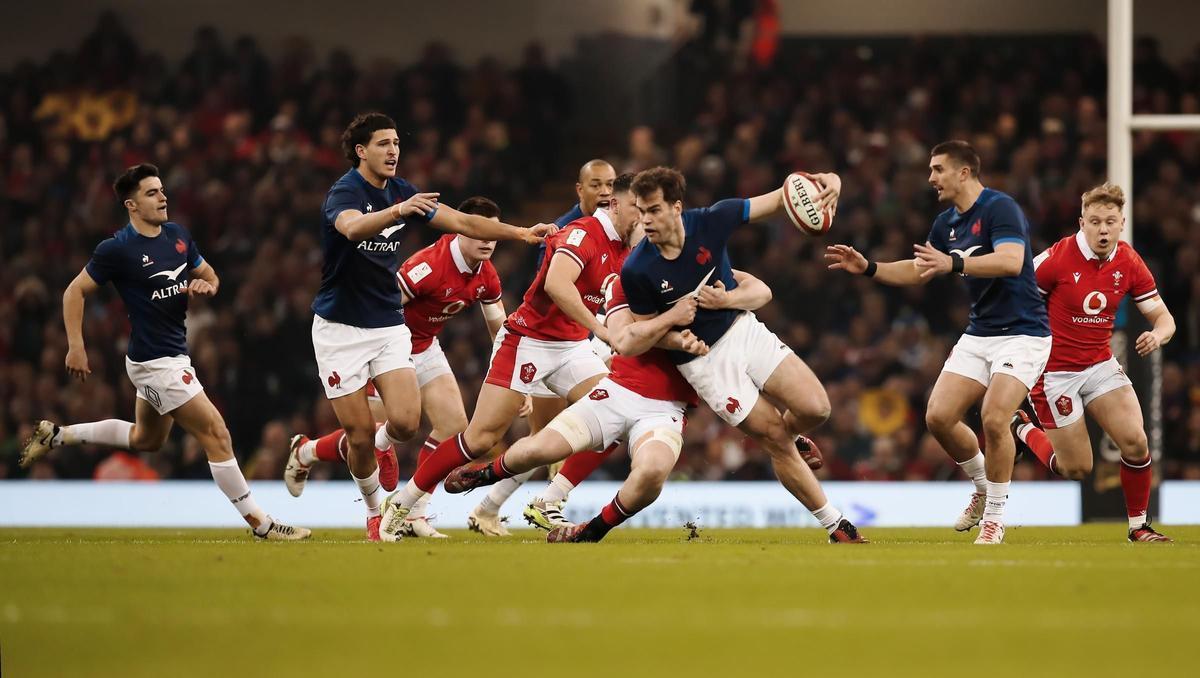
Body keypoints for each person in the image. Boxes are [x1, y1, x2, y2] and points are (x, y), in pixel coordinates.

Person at [20, 163, 309, 540]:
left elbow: (210, 275)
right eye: (152, 192)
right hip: (156, 363)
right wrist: (76, 345)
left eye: (162, 190)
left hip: (170, 356)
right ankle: (262, 524)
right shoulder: (117, 249)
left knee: (147, 439)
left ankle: (57, 435)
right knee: (217, 433)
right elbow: (73, 291)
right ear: (131, 205)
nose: (162, 196)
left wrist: (208, 286)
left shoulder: (177, 236)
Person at [313, 112, 551, 541]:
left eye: (397, 144)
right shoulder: (346, 191)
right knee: (359, 435)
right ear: (361, 151)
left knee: (404, 425)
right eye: (383, 144)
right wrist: (397, 211)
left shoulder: (404, 192)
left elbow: (464, 222)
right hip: (340, 327)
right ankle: (374, 512)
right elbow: (350, 229)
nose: (393, 151)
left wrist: (520, 233)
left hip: (388, 327)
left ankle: (403, 487)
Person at [377, 173, 642, 542]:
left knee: (617, 416)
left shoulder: (627, 246)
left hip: (572, 346)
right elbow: (556, 285)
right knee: (479, 439)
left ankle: (549, 498)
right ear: (615, 204)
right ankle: (403, 503)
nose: (643, 219)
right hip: (529, 340)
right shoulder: (582, 233)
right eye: (637, 209)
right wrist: (601, 332)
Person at [616, 166, 865, 543]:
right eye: (640, 210)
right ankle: (836, 525)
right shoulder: (636, 269)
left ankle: (794, 436)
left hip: (744, 330)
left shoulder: (713, 220)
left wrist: (830, 179)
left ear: (676, 207)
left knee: (817, 408)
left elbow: (783, 196)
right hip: (705, 364)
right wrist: (680, 339)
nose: (645, 219)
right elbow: (647, 332)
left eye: (653, 209)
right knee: (774, 439)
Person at [825, 140, 1050, 544]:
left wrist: (955, 262)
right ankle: (982, 486)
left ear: (964, 172)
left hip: (1023, 333)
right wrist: (869, 267)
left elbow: (1012, 261)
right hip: (980, 333)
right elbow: (919, 269)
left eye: (938, 169)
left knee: (995, 417)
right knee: (938, 417)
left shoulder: (1000, 208)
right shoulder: (946, 223)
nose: (931, 178)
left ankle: (996, 517)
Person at [286, 196, 513, 539]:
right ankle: (307, 451)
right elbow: (384, 304)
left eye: (493, 232)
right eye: (479, 231)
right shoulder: (429, 266)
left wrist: (512, 368)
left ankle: (413, 513)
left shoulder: (487, 275)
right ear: (458, 228)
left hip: (426, 347)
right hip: (388, 347)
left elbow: (499, 326)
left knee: (454, 426)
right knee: (366, 434)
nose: (487, 239)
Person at [1012, 183, 1175, 542]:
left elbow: (1164, 318)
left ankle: (1139, 528)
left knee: (1135, 442)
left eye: (1111, 222)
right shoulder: (1055, 258)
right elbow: (1017, 301)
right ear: (1081, 222)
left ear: (1122, 223)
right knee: (1076, 467)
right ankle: (1021, 429)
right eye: (1096, 221)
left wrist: (1158, 335)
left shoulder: (1129, 261)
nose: (1103, 229)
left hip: (1100, 364)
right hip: (1055, 372)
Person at [466, 159, 618, 535]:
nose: (604, 192)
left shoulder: (617, 228)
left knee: (567, 432)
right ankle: (538, 501)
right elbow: (553, 290)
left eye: (610, 185)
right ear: (579, 190)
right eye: (595, 185)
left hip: (581, 339)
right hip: (550, 340)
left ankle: (499, 506)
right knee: (550, 436)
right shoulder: (565, 231)